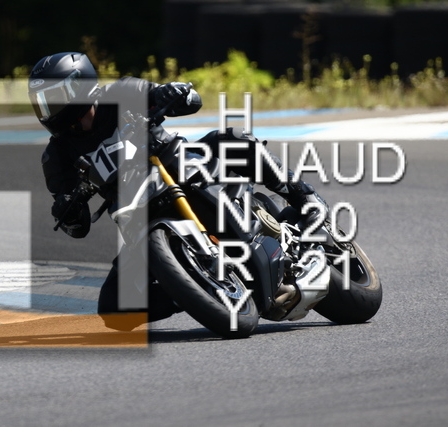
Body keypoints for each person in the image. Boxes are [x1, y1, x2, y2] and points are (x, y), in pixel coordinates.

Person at [29, 52, 326, 330]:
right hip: (135, 213)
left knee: (232, 139)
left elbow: (188, 101)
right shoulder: (56, 156)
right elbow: (76, 224)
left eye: (53, 98)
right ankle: (193, 290)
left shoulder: (121, 92)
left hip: (180, 166)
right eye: (41, 103)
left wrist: (172, 93)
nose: (48, 109)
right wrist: (66, 209)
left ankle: (304, 196)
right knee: (113, 310)